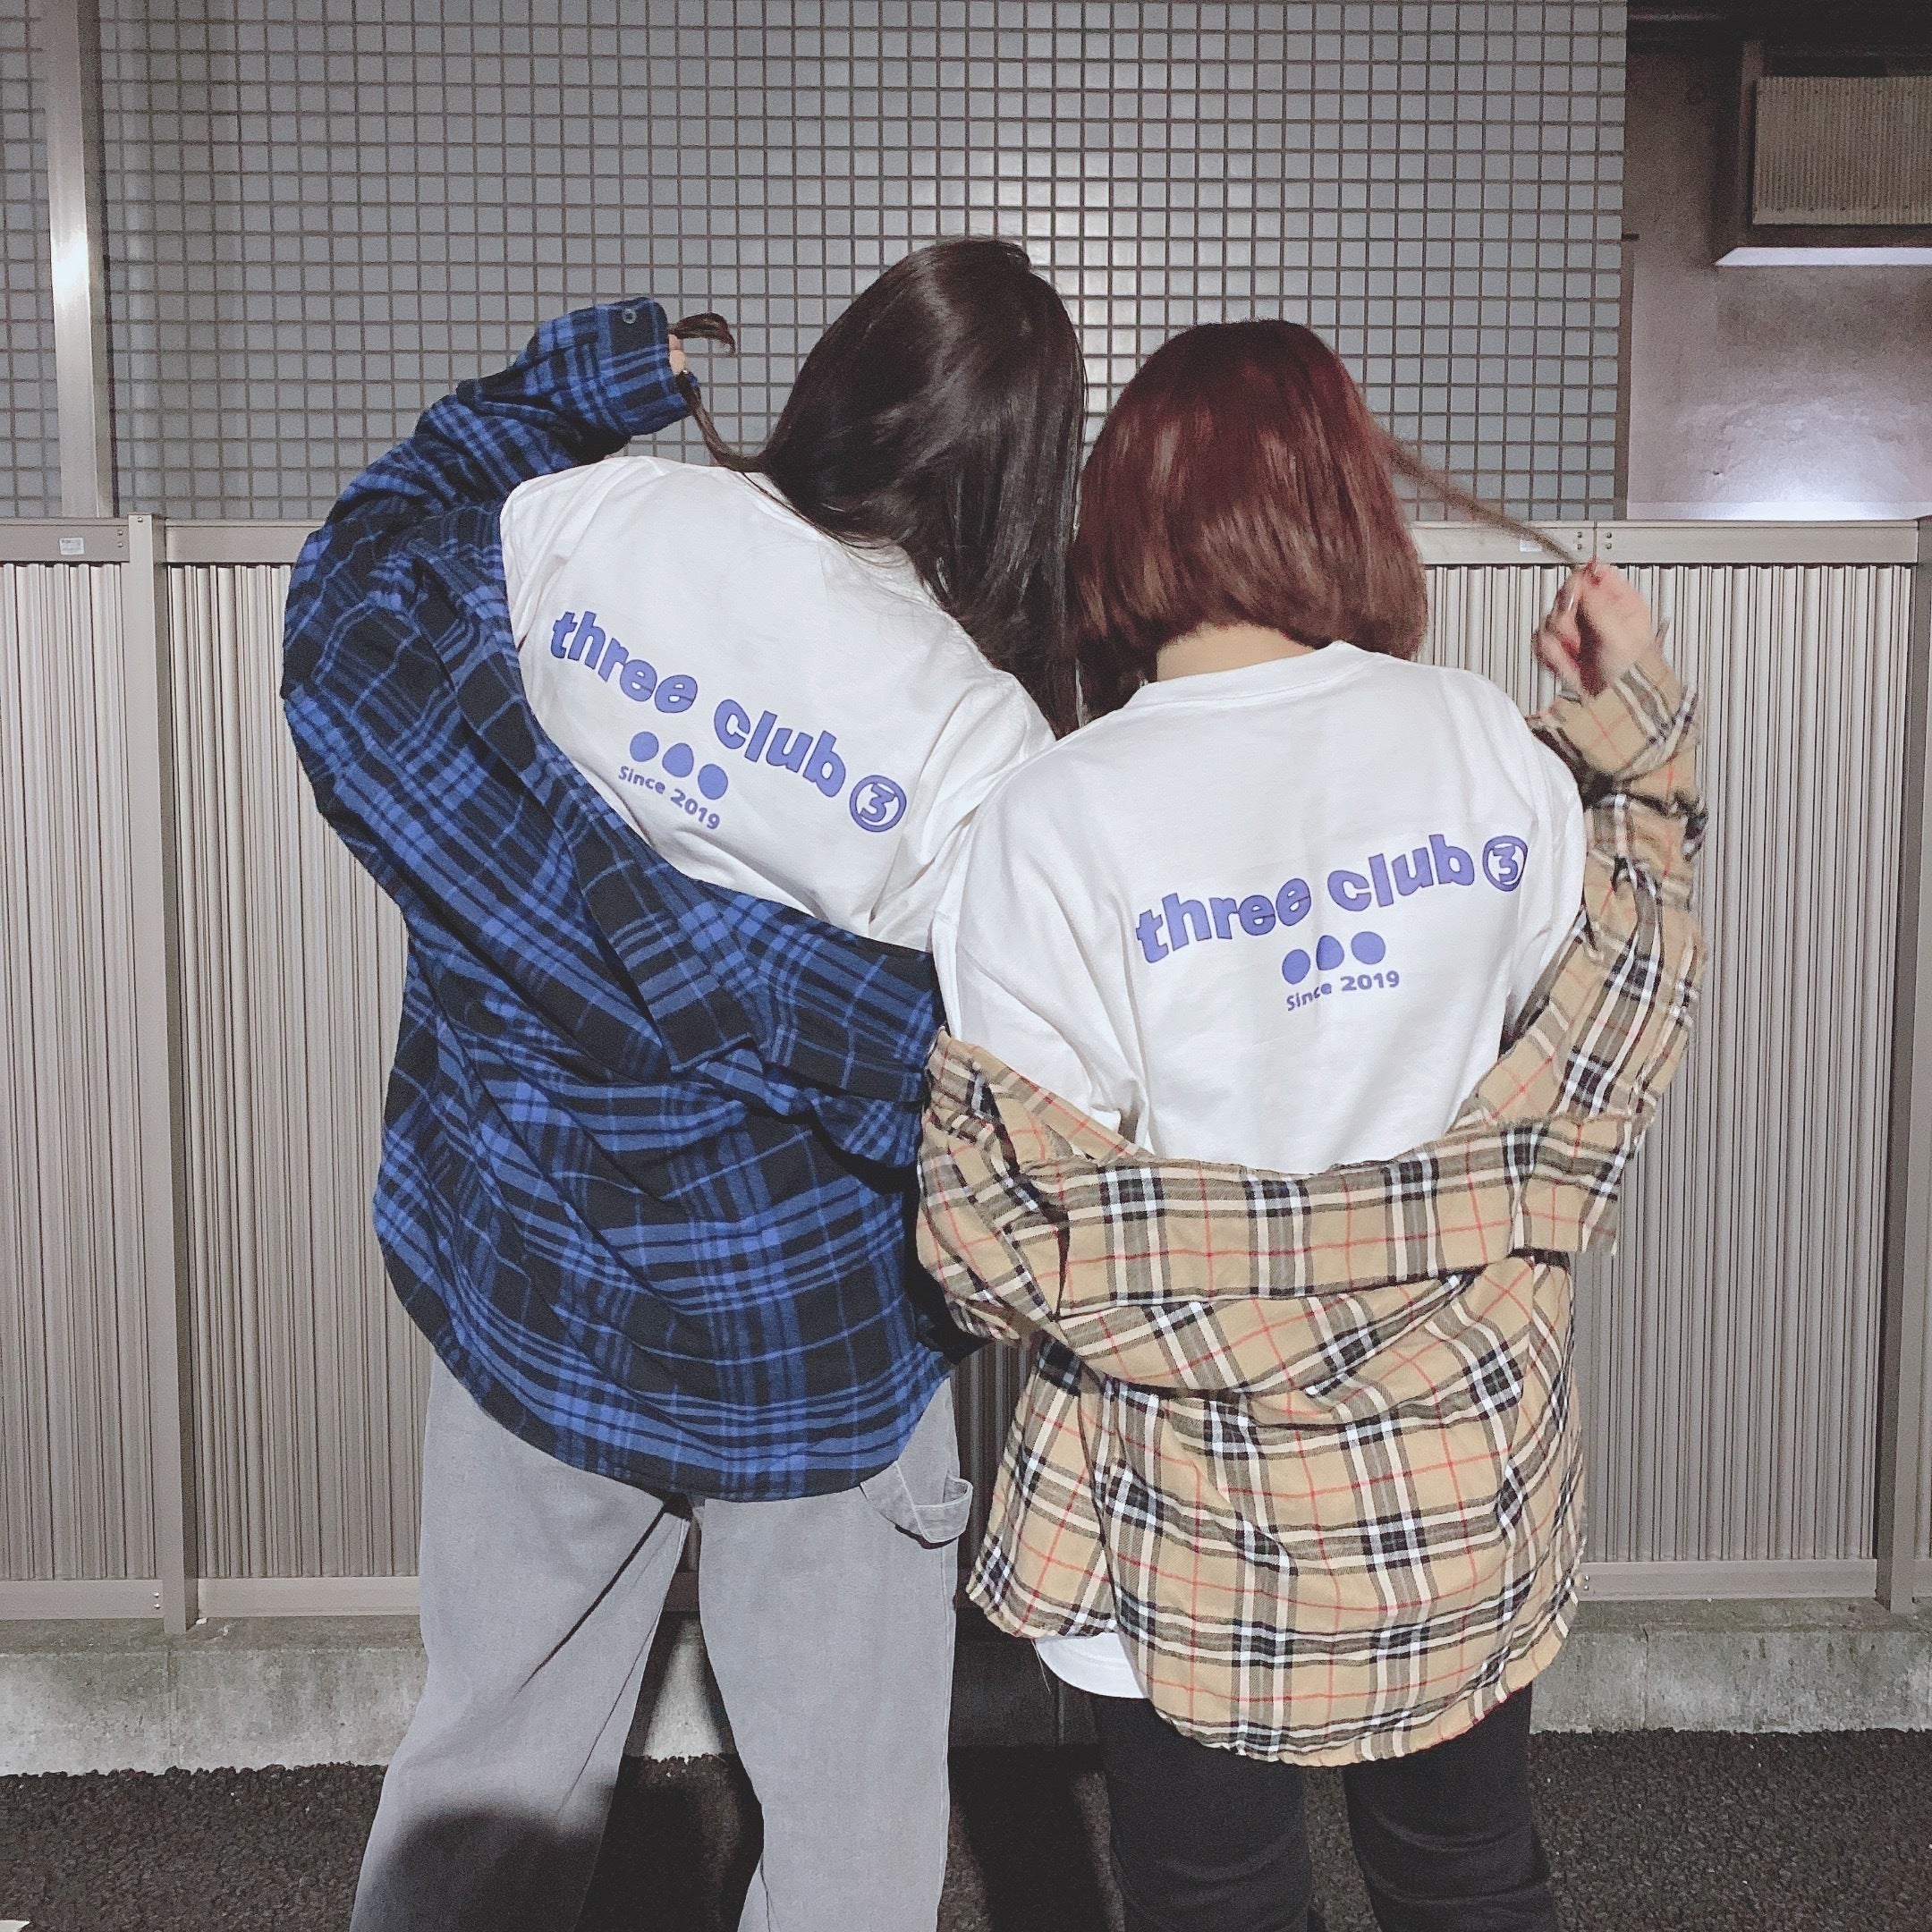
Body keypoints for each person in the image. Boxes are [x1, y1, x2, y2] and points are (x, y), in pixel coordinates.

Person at [282, 238, 1084, 1932]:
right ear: (1020, 488)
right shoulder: (979, 743)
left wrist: (563, 390)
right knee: (852, 1832)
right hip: (815, 1363)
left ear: (840, 383)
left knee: (491, 1765)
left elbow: (358, 584)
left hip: (536, 1296)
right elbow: (996, 1092)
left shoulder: (605, 520)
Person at [921, 321, 1705, 1930]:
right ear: (1347, 501)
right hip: (1453, 1463)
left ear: (1119, 522)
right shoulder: (1485, 744)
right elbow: (1576, 1037)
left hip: (1190, 1496)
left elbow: (1007, 1239)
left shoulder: (1051, 818)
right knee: (1468, 1876)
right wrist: (1636, 706)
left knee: (1212, 1895)